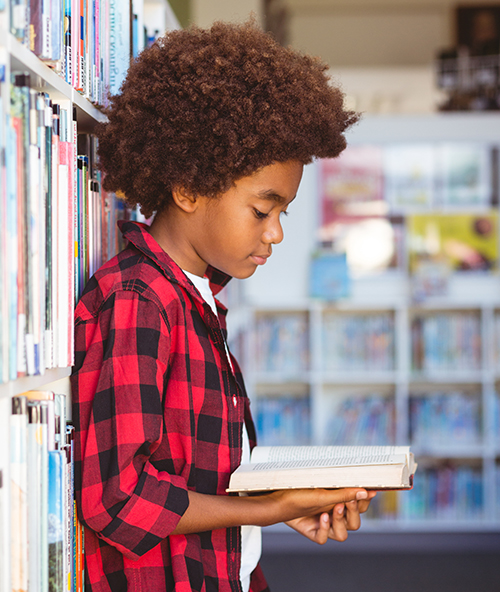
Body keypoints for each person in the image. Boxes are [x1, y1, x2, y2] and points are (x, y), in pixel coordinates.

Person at [70, 20, 376, 592]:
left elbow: (195, 472)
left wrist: (284, 505)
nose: (277, 233)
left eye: (282, 213)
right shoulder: (139, 302)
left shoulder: (197, 299)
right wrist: (264, 509)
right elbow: (117, 498)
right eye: (263, 210)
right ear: (188, 188)